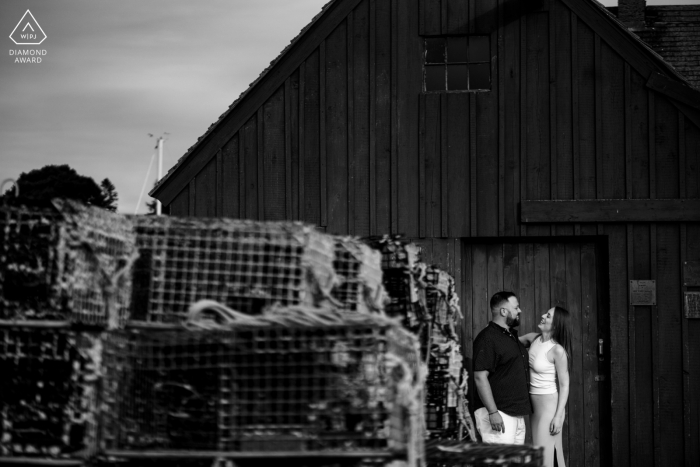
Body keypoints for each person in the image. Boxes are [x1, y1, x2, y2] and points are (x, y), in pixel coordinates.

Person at [473, 291, 532, 444]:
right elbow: (480, 377)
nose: (519, 311)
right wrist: (493, 412)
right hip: (498, 413)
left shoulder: (509, 337)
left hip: (516, 415)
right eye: (516, 307)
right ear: (504, 311)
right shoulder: (487, 338)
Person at [519, 307, 572, 467]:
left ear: (555, 325)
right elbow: (507, 342)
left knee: (545, 456)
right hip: (534, 407)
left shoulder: (557, 350)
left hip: (549, 408)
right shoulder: (533, 339)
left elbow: (564, 385)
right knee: (544, 455)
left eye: (548, 315)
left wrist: (558, 416)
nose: (542, 315)